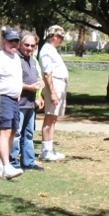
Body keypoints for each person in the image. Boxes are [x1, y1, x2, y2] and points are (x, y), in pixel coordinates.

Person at [0, 29, 27, 177]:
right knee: (5, 132)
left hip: (14, 99)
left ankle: (0, 165)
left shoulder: (16, 57)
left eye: (16, 41)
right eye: (10, 41)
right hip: (3, 98)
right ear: (4, 41)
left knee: (12, 131)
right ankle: (7, 166)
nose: (14, 44)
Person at [39, 25, 69, 161]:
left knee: (54, 118)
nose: (61, 40)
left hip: (59, 84)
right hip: (54, 85)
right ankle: (45, 150)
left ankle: (50, 147)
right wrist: (52, 93)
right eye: (61, 37)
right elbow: (47, 73)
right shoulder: (46, 50)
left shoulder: (52, 50)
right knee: (49, 116)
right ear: (54, 36)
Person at [14, 32, 44, 169]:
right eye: (26, 45)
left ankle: (28, 161)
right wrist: (28, 87)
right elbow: (11, 82)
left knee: (29, 133)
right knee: (16, 133)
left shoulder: (32, 60)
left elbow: (36, 78)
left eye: (32, 46)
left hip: (30, 103)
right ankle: (12, 162)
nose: (29, 48)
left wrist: (38, 93)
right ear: (20, 44)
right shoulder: (15, 59)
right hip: (18, 104)